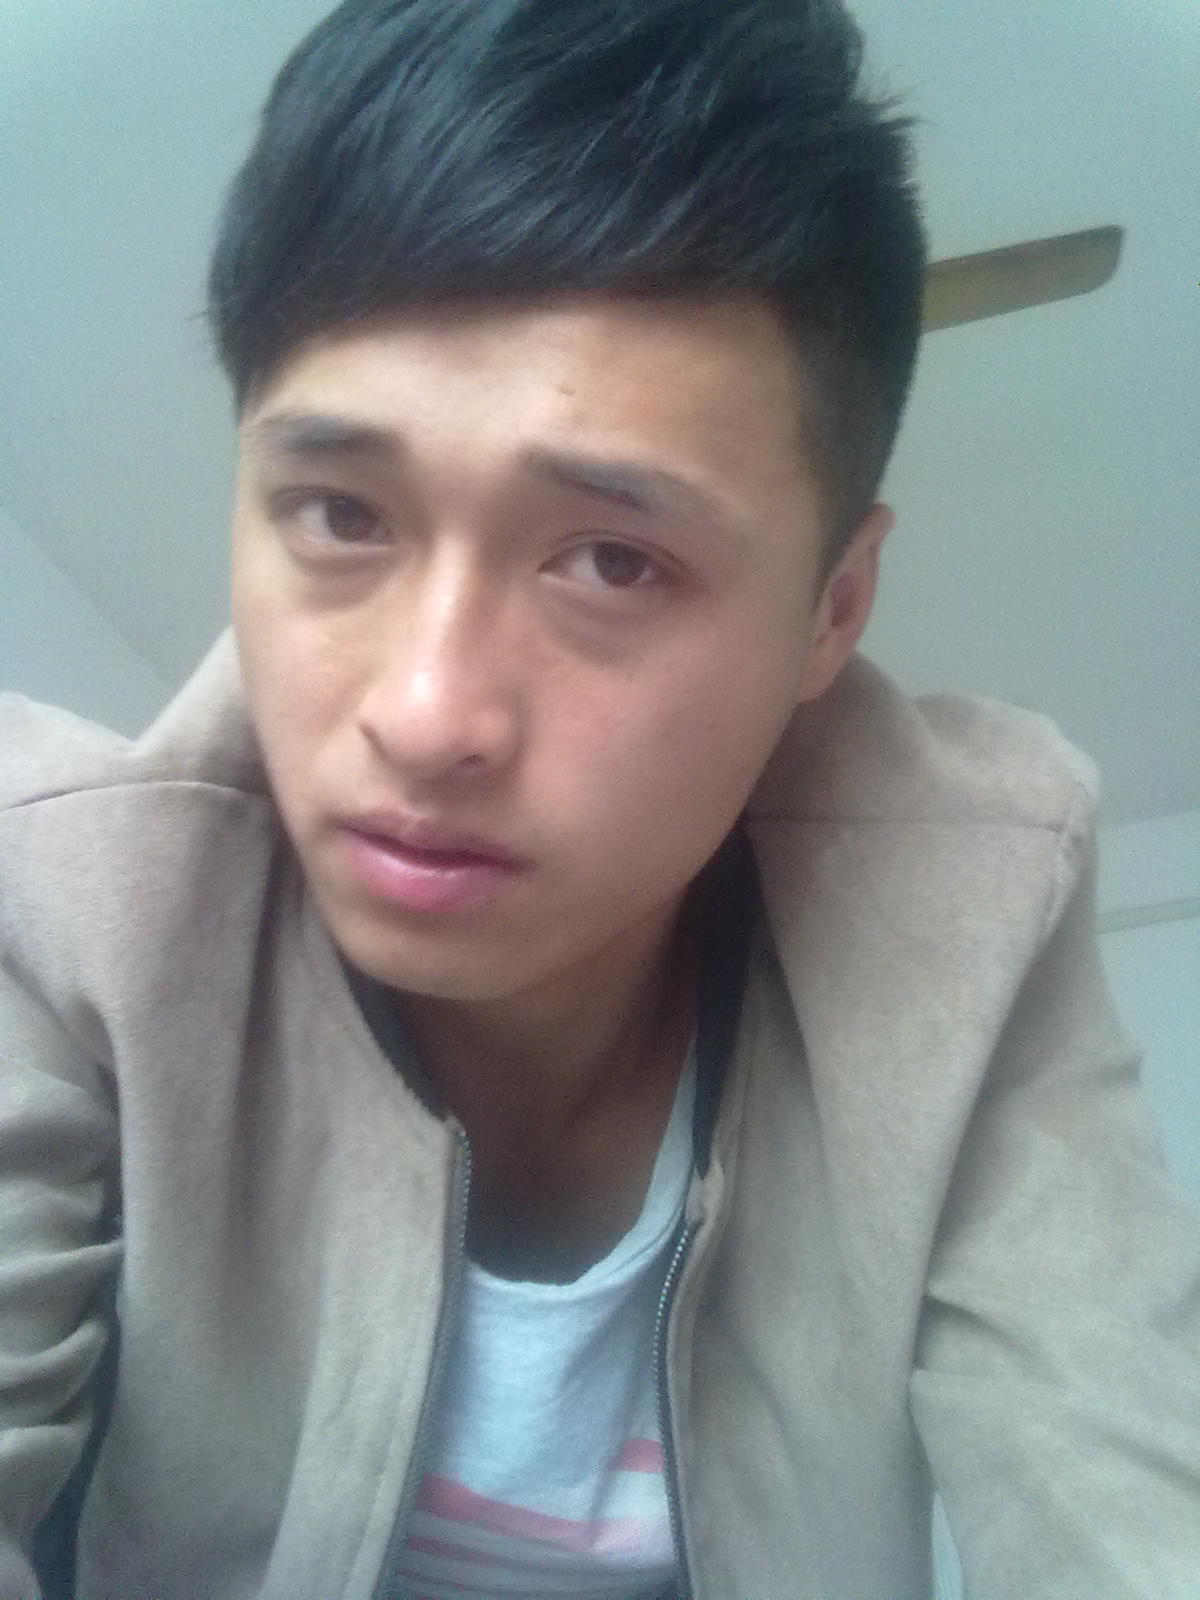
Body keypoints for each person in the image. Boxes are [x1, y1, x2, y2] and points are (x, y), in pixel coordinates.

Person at [2, 0, 1197, 1595]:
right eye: (340, 514)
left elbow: (1119, 1465)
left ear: (833, 611)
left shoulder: (968, 916)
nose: (427, 716)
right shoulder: (67, 903)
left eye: (615, 561)